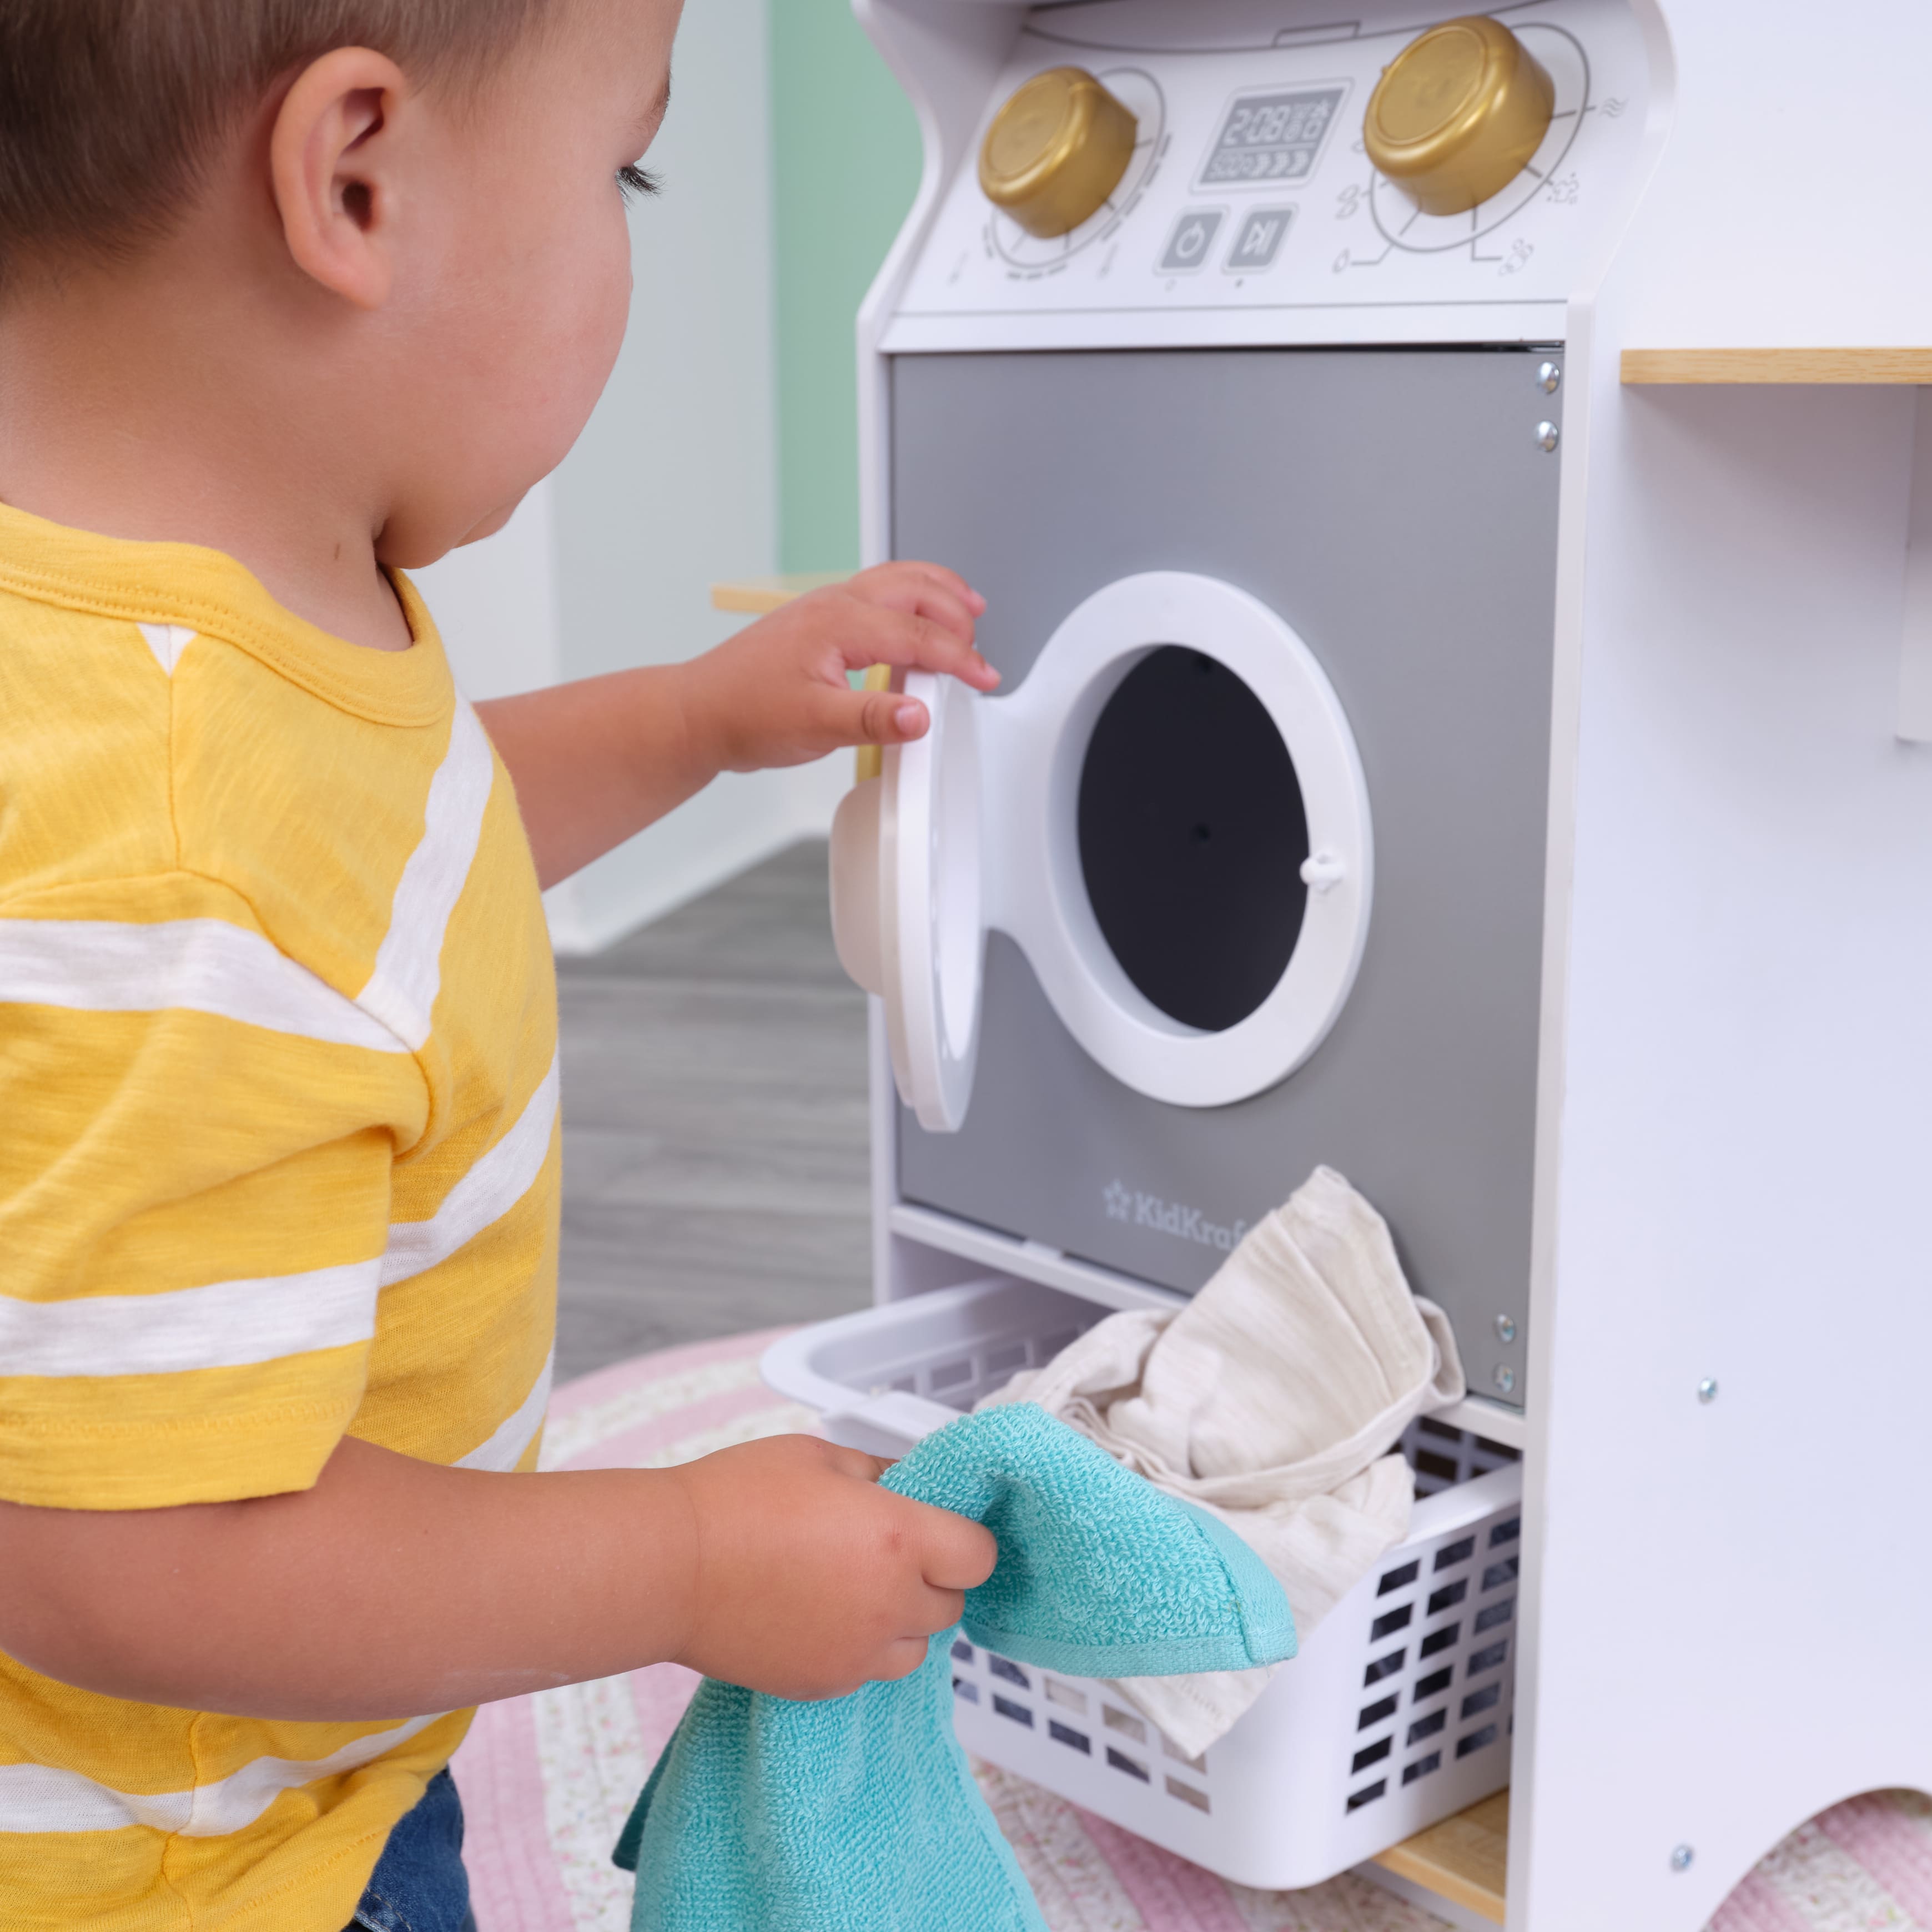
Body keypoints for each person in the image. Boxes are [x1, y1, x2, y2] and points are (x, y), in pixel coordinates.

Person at [0, 2, 1002, 1928]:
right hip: (212, 1860)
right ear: (356, 180)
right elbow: (134, 1550)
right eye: (628, 168)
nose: (631, 224)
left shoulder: (180, 634)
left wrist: (696, 718)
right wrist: (685, 1558)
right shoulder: (170, 832)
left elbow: (381, 869)